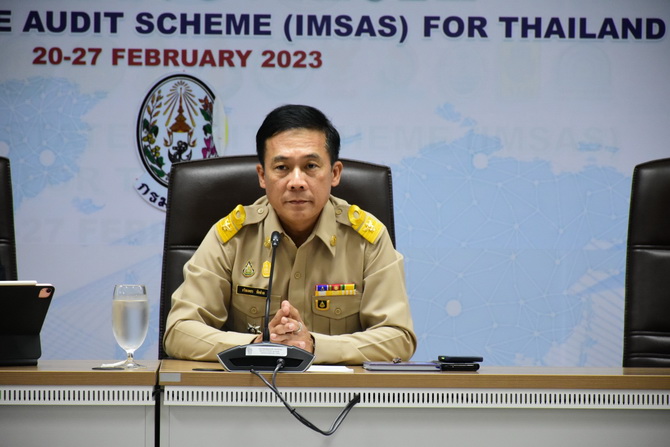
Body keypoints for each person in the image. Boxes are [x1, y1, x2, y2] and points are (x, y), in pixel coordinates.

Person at [164, 104, 416, 364]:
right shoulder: (231, 238)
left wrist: (313, 345)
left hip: (338, 390)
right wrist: (257, 345)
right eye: (282, 167)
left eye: (311, 166)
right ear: (262, 176)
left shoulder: (367, 240)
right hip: (251, 387)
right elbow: (179, 331)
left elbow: (398, 338)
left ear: (335, 173)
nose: (297, 181)